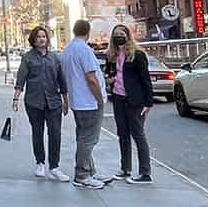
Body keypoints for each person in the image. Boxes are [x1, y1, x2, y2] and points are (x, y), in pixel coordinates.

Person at [12, 27, 69, 181]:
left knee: (55, 134)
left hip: (54, 102)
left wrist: (66, 100)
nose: (41, 39)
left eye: (44, 36)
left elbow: (62, 80)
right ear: (33, 39)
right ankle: (40, 163)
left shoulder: (55, 58)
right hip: (34, 102)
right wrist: (16, 99)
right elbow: (21, 79)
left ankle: (55, 167)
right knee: (37, 133)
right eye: (38, 37)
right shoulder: (28, 58)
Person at [105, 25, 154, 184]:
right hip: (119, 99)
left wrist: (148, 103)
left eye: (122, 34)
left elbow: (146, 80)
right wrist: (109, 81)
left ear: (128, 36)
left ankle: (145, 173)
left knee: (138, 135)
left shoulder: (137, 55)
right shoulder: (111, 56)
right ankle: (125, 168)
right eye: (116, 34)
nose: (119, 37)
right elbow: (109, 75)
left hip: (135, 101)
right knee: (122, 135)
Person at [63, 19, 107, 190]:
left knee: (83, 137)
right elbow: (91, 78)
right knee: (88, 140)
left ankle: (90, 171)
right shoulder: (84, 50)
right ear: (88, 32)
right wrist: (99, 98)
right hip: (89, 102)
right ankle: (82, 175)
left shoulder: (67, 50)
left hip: (78, 101)